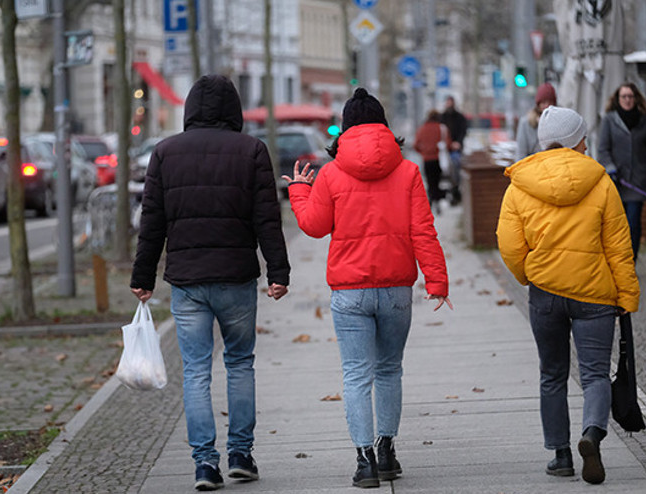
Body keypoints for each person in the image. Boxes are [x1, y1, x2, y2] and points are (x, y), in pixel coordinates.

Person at [282, 88, 452, 489]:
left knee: (357, 375)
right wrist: (437, 280)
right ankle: (387, 450)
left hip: (349, 290)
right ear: (384, 126)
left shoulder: (331, 174)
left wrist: (299, 191)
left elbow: (314, 226)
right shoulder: (408, 171)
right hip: (396, 288)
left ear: (344, 130)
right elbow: (423, 231)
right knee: (389, 369)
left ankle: (364, 462)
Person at [130, 74, 291, 492]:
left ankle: (205, 463)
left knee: (196, 370)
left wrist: (142, 276)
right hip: (237, 277)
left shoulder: (165, 152)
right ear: (234, 109)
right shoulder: (252, 150)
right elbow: (267, 218)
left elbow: (152, 221)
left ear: (189, 109)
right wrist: (278, 272)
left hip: (187, 280)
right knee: (240, 363)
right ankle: (240, 455)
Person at [496, 106, 639, 485]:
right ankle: (591, 434)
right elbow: (618, 247)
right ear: (575, 141)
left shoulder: (519, 184)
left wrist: (527, 274)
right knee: (594, 374)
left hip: (545, 293)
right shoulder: (600, 181)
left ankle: (560, 455)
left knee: (552, 374)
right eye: (584, 138)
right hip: (595, 294)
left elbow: (509, 245)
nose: (588, 144)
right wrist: (627, 296)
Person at [597, 82, 646, 260]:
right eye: (624, 97)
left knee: (633, 222)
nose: (627, 100)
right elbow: (603, 150)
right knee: (617, 225)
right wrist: (610, 169)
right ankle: (617, 260)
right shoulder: (609, 120)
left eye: (630, 96)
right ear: (617, 99)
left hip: (638, 181)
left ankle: (630, 260)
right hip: (616, 182)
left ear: (635, 99)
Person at [413, 109, 452, 214]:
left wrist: (423, 152)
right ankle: (437, 201)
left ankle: (430, 201)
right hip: (438, 159)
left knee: (430, 182)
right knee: (437, 181)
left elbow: (415, 145)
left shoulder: (422, 129)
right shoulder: (441, 128)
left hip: (426, 160)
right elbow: (448, 144)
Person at [515, 82, 557, 160]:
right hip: (532, 164)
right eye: (543, 102)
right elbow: (521, 153)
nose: (547, 106)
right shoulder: (526, 123)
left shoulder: (559, 123)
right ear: (538, 104)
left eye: (550, 102)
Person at [440, 95, 468, 205]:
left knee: (456, 167)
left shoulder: (459, 117)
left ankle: (455, 190)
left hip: (456, 148)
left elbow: (463, 131)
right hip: (444, 149)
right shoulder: (442, 117)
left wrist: (458, 143)